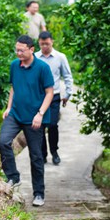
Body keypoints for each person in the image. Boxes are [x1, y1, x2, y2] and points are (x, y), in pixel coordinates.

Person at [0, 35, 54, 207]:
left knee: (36, 156)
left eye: (22, 50)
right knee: (3, 141)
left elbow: (49, 92)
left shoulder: (43, 68)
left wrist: (40, 114)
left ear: (31, 49)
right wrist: (8, 107)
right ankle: (13, 177)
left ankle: (38, 193)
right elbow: (13, 88)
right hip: (15, 114)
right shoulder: (15, 65)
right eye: (17, 50)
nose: (18, 53)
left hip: (34, 118)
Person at [35, 31, 74, 165]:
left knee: (52, 125)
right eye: (42, 44)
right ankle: (43, 154)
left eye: (47, 43)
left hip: (54, 96)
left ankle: (54, 152)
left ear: (52, 42)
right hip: (38, 97)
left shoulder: (60, 57)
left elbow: (67, 76)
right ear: (39, 43)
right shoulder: (35, 58)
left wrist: (67, 94)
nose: (44, 46)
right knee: (39, 126)